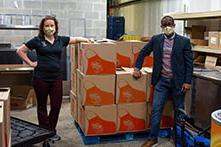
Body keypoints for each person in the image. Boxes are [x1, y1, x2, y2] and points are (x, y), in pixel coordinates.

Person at [16, 15, 92, 142]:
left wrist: (87, 40)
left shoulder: (60, 40)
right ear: (42, 27)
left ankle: (51, 131)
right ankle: (43, 132)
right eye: (47, 25)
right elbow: (20, 51)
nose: (49, 28)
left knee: (56, 106)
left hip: (56, 78)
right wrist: (30, 63)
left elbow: (75, 39)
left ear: (56, 27)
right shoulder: (37, 40)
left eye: (52, 25)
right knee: (42, 106)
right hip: (41, 78)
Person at [133, 15, 193, 147]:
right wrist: (137, 68)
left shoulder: (184, 41)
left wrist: (187, 81)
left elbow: (189, 64)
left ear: (174, 26)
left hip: (178, 82)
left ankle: (178, 138)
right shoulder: (156, 40)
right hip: (161, 81)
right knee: (156, 109)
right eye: (164, 25)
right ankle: (152, 138)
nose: (167, 27)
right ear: (161, 27)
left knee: (179, 110)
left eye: (170, 24)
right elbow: (143, 52)